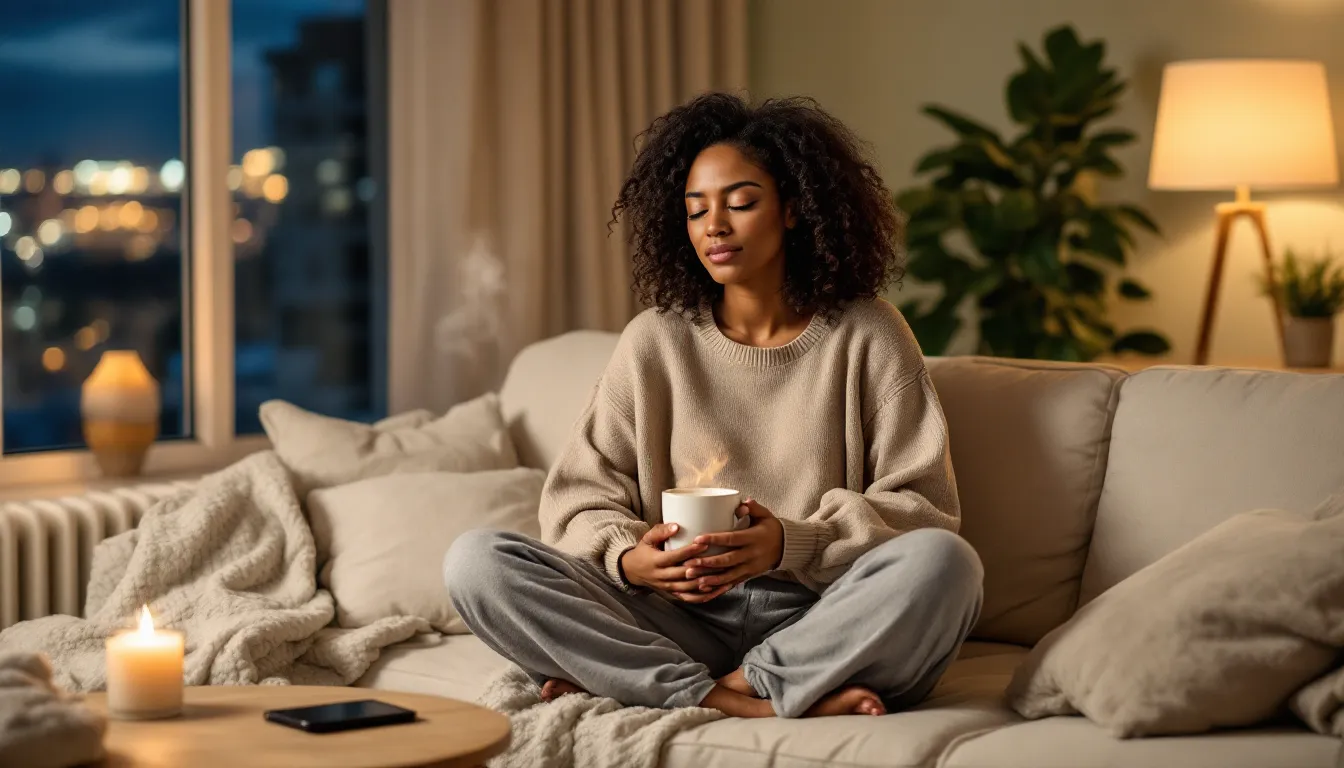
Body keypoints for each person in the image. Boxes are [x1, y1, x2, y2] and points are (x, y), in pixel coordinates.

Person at [444, 92, 983, 719]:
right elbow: (576, 498)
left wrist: (790, 542)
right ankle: (736, 697)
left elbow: (926, 512)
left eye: (742, 203)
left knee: (947, 567)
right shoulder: (655, 340)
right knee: (478, 563)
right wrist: (630, 559)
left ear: (792, 209)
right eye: (697, 210)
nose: (714, 226)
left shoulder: (870, 334)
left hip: (821, 616)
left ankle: (689, 682)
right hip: (675, 619)